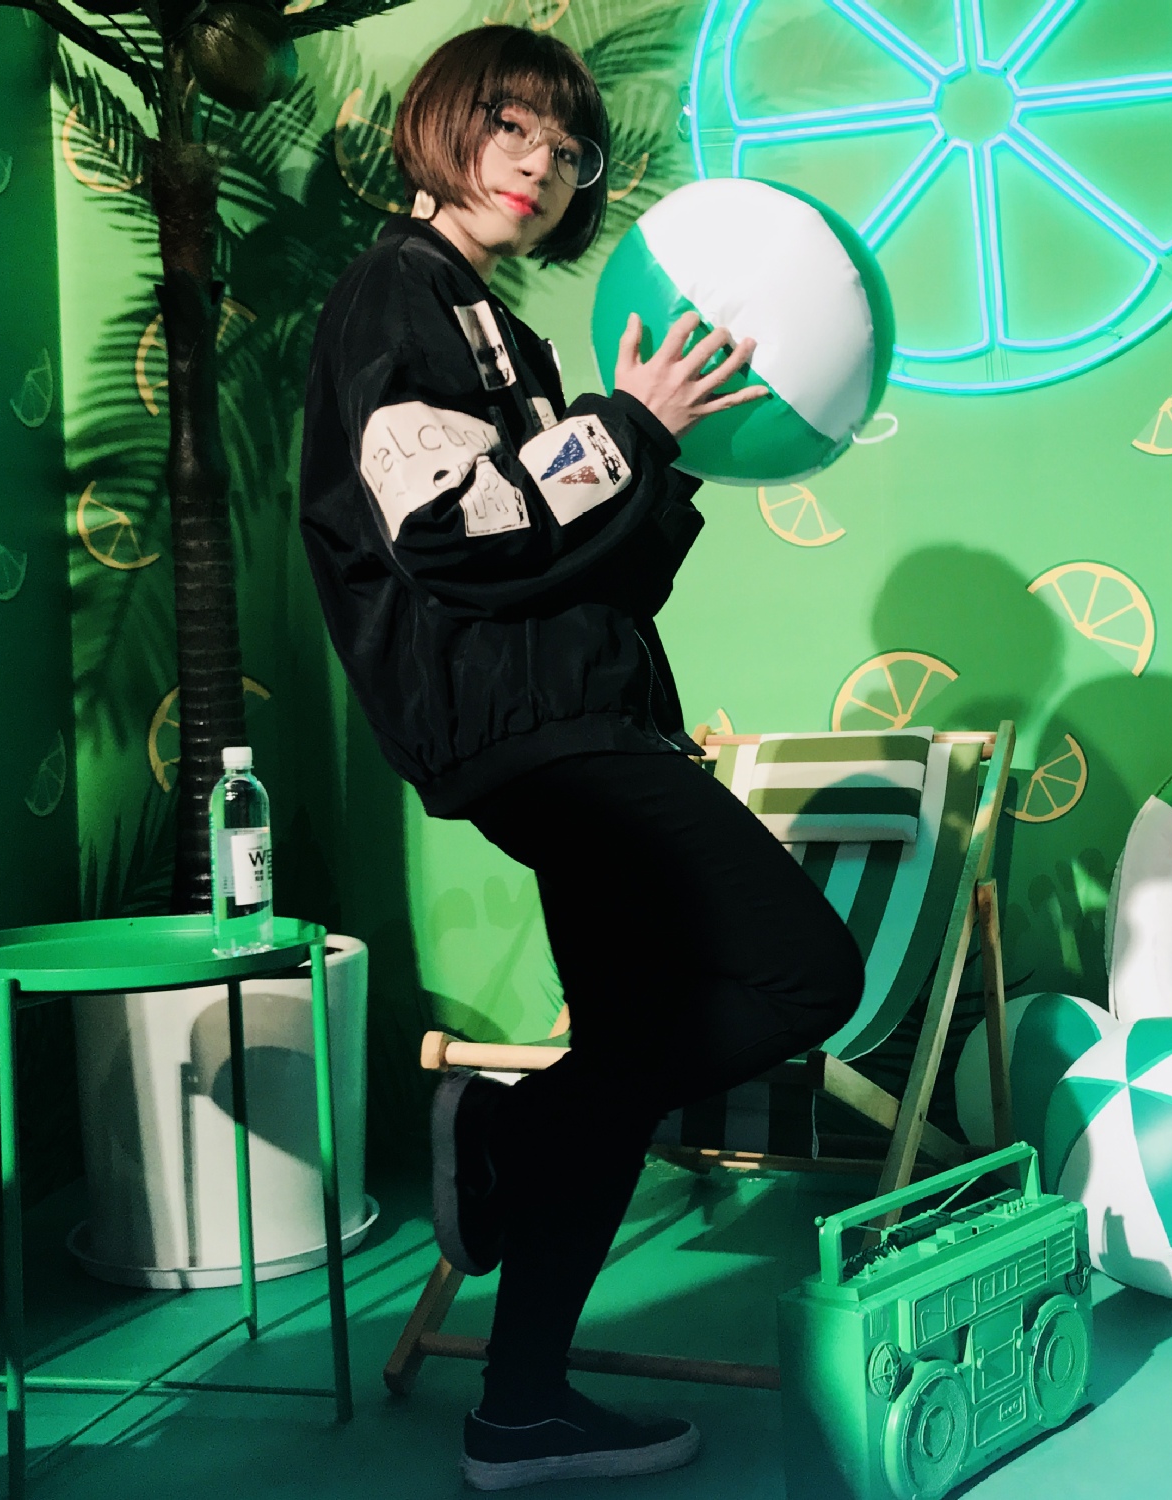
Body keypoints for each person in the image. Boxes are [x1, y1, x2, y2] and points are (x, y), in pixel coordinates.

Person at [297, 24, 865, 1492]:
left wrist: (659, 453)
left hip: (571, 716)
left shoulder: (506, 333)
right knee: (808, 976)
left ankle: (523, 1405)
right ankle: (503, 1120)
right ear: (445, 123)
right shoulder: (397, 292)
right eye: (513, 128)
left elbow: (588, 572)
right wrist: (626, 426)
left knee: (625, 1054)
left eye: (568, 150)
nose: (540, 166)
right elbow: (447, 528)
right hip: (540, 734)